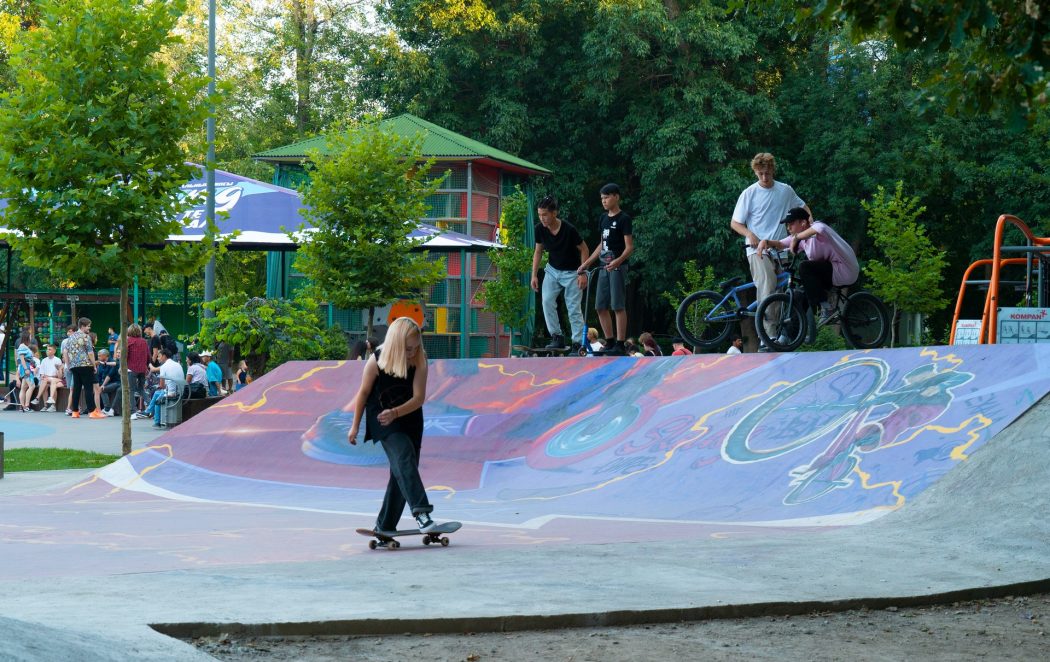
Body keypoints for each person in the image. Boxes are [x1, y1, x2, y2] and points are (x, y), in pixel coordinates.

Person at [346, 317, 438, 538]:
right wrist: (355, 426)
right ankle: (422, 512)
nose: (411, 352)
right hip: (383, 419)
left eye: (416, 348)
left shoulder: (419, 359)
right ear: (396, 344)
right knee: (404, 458)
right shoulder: (376, 360)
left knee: (403, 471)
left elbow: (418, 398)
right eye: (407, 348)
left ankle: (384, 524)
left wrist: (397, 412)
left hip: (410, 417)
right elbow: (363, 394)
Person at [730, 153, 810, 348]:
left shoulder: (785, 191)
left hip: (779, 249)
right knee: (768, 284)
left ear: (773, 170)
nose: (764, 178)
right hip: (757, 250)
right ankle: (767, 335)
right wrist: (750, 235)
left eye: (767, 173)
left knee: (783, 291)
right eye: (760, 174)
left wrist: (811, 227)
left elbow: (803, 207)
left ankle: (782, 333)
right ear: (755, 172)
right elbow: (735, 223)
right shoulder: (749, 193)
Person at [758, 207, 859, 326]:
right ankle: (786, 338)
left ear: (803, 223)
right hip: (830, 273)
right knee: (799, 295)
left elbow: (819, 229)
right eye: (787, 225)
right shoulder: (801, 238)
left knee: (804, 267)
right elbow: (780, 244)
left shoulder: (818, 228)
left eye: (791, 224)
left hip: (845, 270)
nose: (788, 228)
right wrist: (765, 242)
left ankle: (826, 308)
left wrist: (796, 238)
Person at [578, 183, 634, 355]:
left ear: (616, 197)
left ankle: (620, 342)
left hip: (617, 267)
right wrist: (586, 263)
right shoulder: (603, 218)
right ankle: (609, 341)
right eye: (602, 198)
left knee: (617, 305)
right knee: (600, 306)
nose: (604, 201)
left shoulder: (624, 219)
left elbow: (629, 247)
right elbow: (602, 244)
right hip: (603, 266)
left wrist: (618, 261)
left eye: (607, 197)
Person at [531, 195, 589, 352]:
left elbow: (584, 249)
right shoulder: (539, 229)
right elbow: (538, 251)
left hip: (573, 273)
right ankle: (557, 337)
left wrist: (583, 272)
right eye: (539, 215)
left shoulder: (569, 229)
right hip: (552, 271)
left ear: (554, 213)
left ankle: (577, 343)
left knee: (573, 308)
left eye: (545, 215)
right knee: (547, 301)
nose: (542, 218)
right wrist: (534, 275)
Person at [134, 347, 184, 428]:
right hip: (181, 391)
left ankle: (155, 419)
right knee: (157, 394)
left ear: (164, 356)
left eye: (159, 356)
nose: (158, 358)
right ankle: (149, 412)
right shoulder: (177, 364)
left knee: (157, 398)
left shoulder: (164, 366)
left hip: (172, 393)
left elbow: (161, 385)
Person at [66, 318, 105, 419]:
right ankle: (92, 411)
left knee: (76, 389)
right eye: (88, 326)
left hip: (74, 366)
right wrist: (94, 365)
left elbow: (65, 352)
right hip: (85, 365)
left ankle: (75, 411)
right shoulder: (86, 337)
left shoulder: (71, 337)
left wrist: (68, 364)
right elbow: (90, 353)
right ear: (82, 326)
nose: (89, 328)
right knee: (88, 388)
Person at [125, 324, 150, 413]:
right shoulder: (144, 341)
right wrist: (146, 366)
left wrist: (122, 367)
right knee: (141, 389)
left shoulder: (128, 341)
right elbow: (148, 355)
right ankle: (151, 406)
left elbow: (125, 355)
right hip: (142, 369)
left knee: (130, 390)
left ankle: (133, 411)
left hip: (131, 369)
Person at [36, 344, 64, 411]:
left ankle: (51, 405)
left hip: (55, 379)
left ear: (54, 351)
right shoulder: (44, 360)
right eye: (47, 349)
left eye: (49, 349)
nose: (47, 351)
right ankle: (45, 406)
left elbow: (59, 376)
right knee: (44, 383)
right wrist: (43, 376)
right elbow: (41, 374)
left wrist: (49, 377)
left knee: (51, 383)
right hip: (46, 379)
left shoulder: (58, 360)